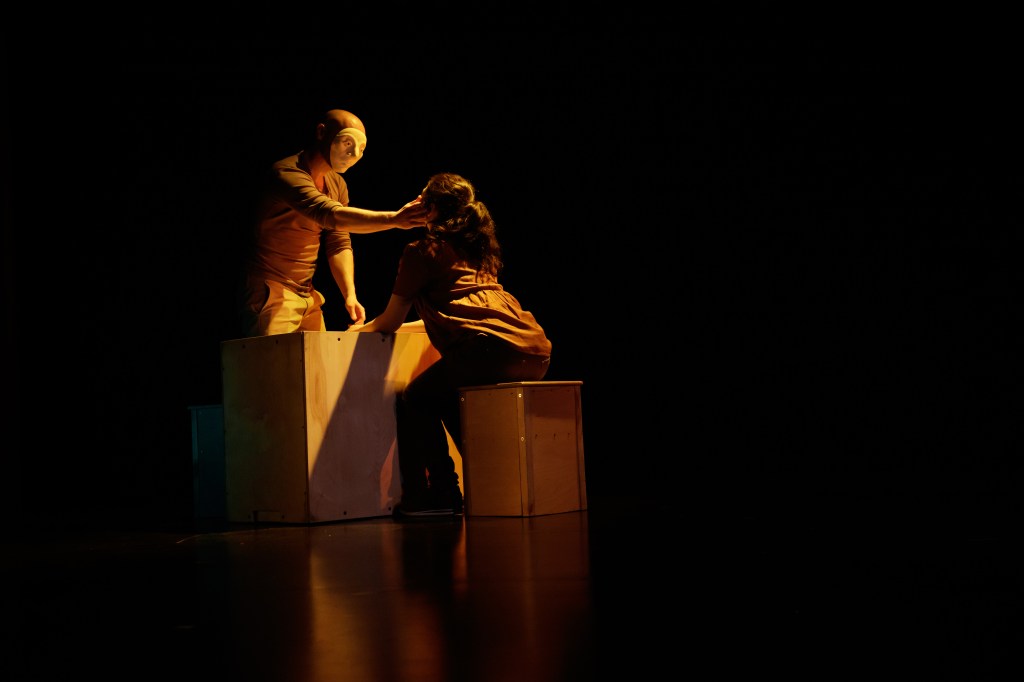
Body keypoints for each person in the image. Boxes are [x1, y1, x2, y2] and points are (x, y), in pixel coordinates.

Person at [348, 172, 552, 517]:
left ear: (428, 208)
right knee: (441, 398)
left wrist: (356, 332)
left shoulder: (422, 251)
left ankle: (439, 494)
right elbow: (461, 310)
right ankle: (481, 485)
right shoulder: (477, 248)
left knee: (415, 398)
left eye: (421, 198)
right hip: (533, 348)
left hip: (490, 349)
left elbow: (390, 321)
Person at [240, 108, 429, 337]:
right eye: (348, 143)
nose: (353, 153)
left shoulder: (337, 184)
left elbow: (338, 240)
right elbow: (329, 215)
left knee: (317, 359)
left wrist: (350, 294)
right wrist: (395, 219)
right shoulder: (287, 173)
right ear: (322, 133)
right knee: (275, 359)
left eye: (361, 149)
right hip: (272, 290)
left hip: (306, 292)